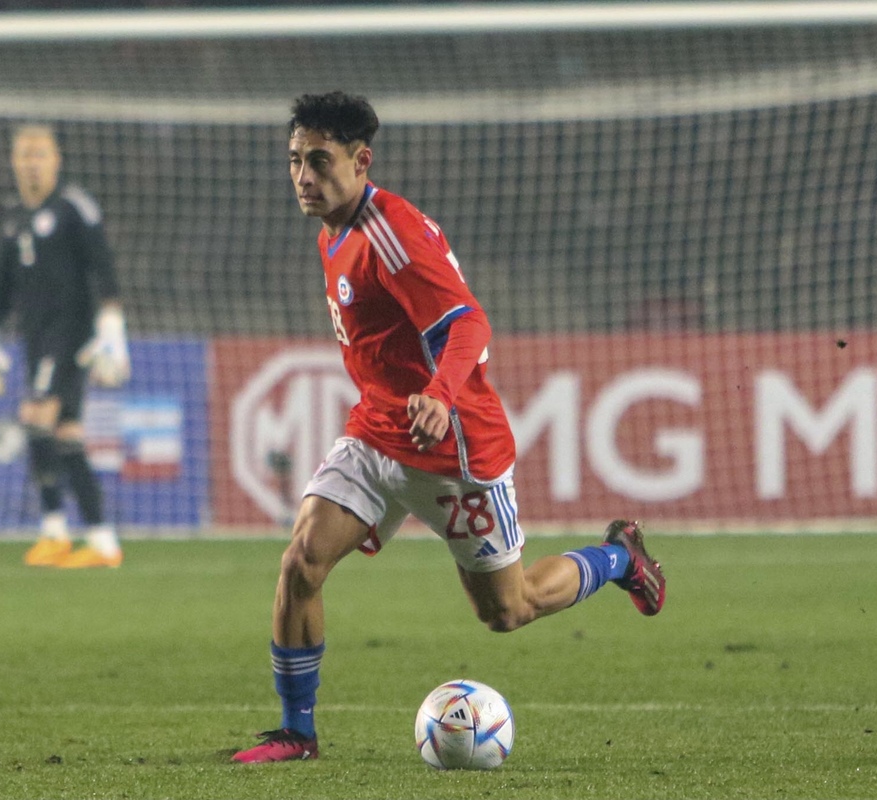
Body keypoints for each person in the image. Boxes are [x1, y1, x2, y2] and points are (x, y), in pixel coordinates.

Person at [231, 92, 666, 764]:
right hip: (378, 431)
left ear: (361, 160)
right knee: (301, 562)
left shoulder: (390, 234)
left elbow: (468, 323)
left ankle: (618, 559)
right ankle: (298, 732)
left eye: (318, 161)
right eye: (294, 161)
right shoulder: (334, 229)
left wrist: (438, 393)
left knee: (507, 611)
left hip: (453, 448)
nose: (303, 176)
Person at [0, 123, 130, 569]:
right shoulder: (14, 217)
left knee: (35, 416)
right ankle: (100, 541)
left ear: (56, 159)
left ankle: (56, 531)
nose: (32, 162)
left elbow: (104, 269)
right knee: (64, 433)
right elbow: (0, 288)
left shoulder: (73, 207)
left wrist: (112, 328)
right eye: (24, 154)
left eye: (40, 154)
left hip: (70, 334)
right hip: (36, 337)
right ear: (13, 162)